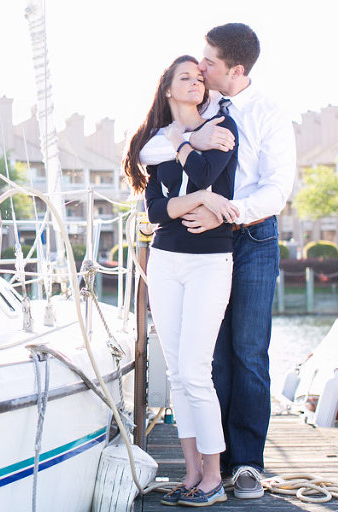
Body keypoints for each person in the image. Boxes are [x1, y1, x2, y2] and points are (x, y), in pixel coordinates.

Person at [146, 24, 297, 499]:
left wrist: (228, 213)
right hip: (201, 243)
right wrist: (188, 157)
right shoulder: (203, 108)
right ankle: (220, 461)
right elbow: (154, 147)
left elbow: (277, 188)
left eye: (208, 62)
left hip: (251, 235)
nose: (201, 68)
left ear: (235, 68)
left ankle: (247, 463)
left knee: (248, 350)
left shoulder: (269, 114)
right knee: (209, 357)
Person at [123, 55, 239, 507]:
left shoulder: (221, 125)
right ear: (168, 89)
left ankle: (213, 476)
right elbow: (155, 210)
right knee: (175, 371)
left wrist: (188, 153)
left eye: (198, 77)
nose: (195, 82)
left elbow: (211, 174)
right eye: (184, 78)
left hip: (210, 260)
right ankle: (191, 474)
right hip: (166, 261)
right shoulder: (159, 140)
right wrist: (200, 194)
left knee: (195, 370)